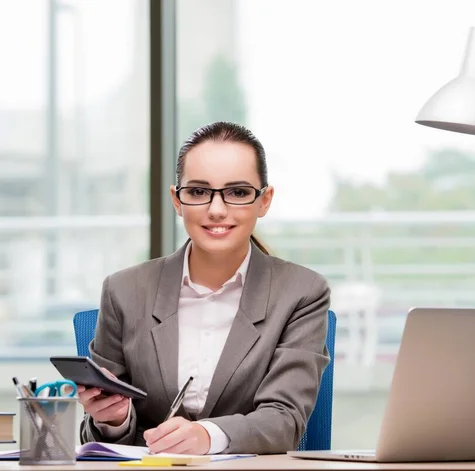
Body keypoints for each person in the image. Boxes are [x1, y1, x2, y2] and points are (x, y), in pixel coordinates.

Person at [78, 121, 331, 455]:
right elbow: (96, 436)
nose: (216, 210)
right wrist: (115, 419)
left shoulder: (302, 292)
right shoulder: (124, 291)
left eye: (238, 192)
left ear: (264, 200)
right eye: (198, 192)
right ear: (177, 199)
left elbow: (284, 419)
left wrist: (208, 436)